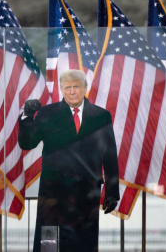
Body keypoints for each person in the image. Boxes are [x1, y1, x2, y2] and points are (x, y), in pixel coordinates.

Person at [18, 69, 120, 252]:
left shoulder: (101, 116)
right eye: (67, 88)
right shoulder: (47, 114)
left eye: (76, 87)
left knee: (84, 244)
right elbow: (27, 143)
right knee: (49, 243)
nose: (72, 91)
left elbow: (110, 155)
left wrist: (112, 192)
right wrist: (26, 117)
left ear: (85, 88)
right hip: (54, 193)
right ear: (61, 89)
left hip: (87, 191)